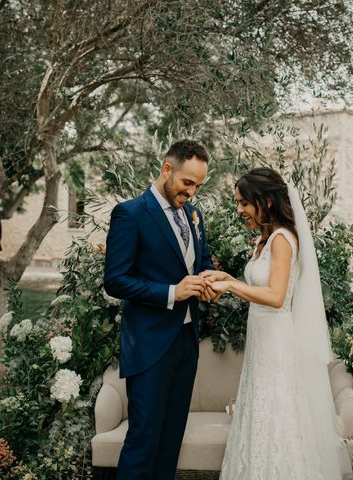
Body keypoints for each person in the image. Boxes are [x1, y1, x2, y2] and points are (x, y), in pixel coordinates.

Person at [202, 168, 353, 479]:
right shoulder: (264, 240)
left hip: (277, 342)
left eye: (245, 203)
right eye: (238, 203)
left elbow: (275, 296)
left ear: (266, 201)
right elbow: (260, 288)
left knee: (278, 414)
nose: (240, 210)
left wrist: (230, 287)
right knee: (260, 413)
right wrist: (226, 278)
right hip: (262, 340)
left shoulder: (283, 239)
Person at [103, 139, 219, 480]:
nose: (192, 192)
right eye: (187, 183)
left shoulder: (194, 215)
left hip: (186, 341)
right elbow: (115, 280)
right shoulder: (131, 213)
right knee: (144, 440)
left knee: (171, 440)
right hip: (150, 345)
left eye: (199, 185)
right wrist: (172, 291)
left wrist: (208, 281)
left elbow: (200, 260)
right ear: (167, 169)